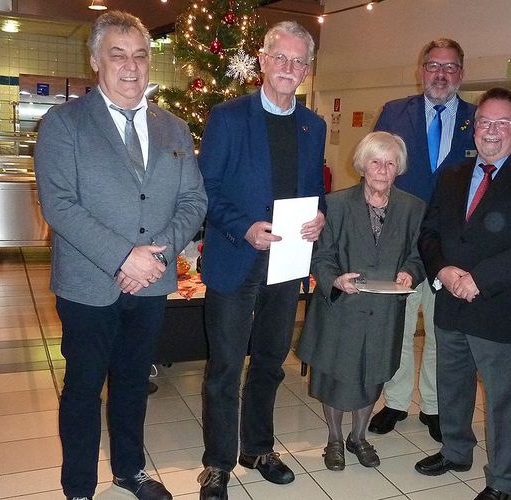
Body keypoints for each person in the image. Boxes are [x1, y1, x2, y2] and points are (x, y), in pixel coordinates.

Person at [34, 11, 207, 500]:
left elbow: (194, 200)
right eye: (118, 54)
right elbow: (59, 205)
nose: (131, 66)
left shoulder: (173, 128)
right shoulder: (63, 124)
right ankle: (79, 486)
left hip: (151, 283)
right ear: (95, 62)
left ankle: (129, 470)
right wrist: (121, 258)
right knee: (85, 389)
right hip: (89, 284)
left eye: (140, 56)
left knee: (134, 384)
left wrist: (157, 255)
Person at [195, 20, 326, 500]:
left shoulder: (314, 125)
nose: (289, 68)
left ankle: (258, 447)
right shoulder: (229, 118)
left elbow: (316, 190)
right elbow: (204, 190)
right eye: (281, 58)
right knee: (226, 367)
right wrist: (243, 227)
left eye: (298, 61)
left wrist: (321, 219)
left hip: (288, 258)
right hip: (236, 256)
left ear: (307, 70)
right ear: (263, 61)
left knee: (270, 360)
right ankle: (216, 463)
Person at [414, 87, 511, 500]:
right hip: (451, 305)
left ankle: (502, 480)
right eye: (484, 122)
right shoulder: (452, 175)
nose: (491, 131)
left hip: (499, 308)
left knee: (503, 399)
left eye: (502, 123)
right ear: (474, 126)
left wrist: (476, 279)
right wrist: (444, 269)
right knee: (453, 384)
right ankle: (456, 450)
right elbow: (429, 232)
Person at [369, 38, 477, 443]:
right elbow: (377, 172)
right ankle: (395, 402)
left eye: (449, 67)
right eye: (433, 65)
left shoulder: (477, 118)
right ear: (421, 69)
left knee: (440, 330)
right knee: (396, 328)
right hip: (399, 243)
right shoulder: (395, 112)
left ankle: (432, 406)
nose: (440, 74)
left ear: (461, 74)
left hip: (450, 250)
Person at [297, 131, 426, 471]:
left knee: (373, 374)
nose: (382, 170)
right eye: (375, 161)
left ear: (398, 169)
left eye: (390, 163)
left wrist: (410, 273)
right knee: (335, 377)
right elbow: (320, 256)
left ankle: (359, 437)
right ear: (362, 165)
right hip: (341, 308)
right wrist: (335, 280)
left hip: (385, 311)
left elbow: (418, 255)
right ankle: (335, 439)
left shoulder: (413, 207)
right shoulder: (335, 205)